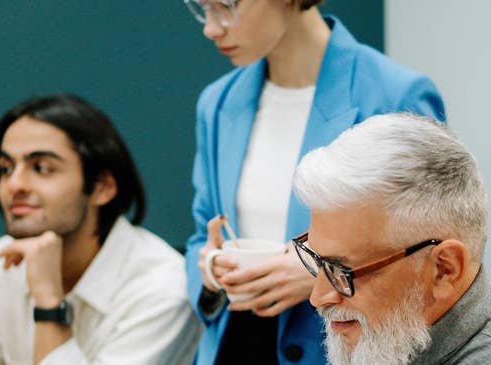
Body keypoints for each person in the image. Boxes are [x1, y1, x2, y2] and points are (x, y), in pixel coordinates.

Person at [181, 0, 445, 364]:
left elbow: (430, 252)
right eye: (202, 8)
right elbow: (202, 232)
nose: (211, 28)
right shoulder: (218, 102)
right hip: (234, 345)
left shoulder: (394, 94)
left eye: (226, 5)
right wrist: (211, 273)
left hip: (341, 345)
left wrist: (321, 273)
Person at [0, 94, 201, 365]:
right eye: (6, 168)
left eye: (41, 167)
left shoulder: (164, 288)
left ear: (102, 187)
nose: (14, 185)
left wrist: (48, 300)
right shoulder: (3, 260)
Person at [291, 113, 491, 365]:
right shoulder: (383, 349)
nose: (318, 298)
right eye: (318, 262)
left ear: (444, 269)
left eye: (342, 271)